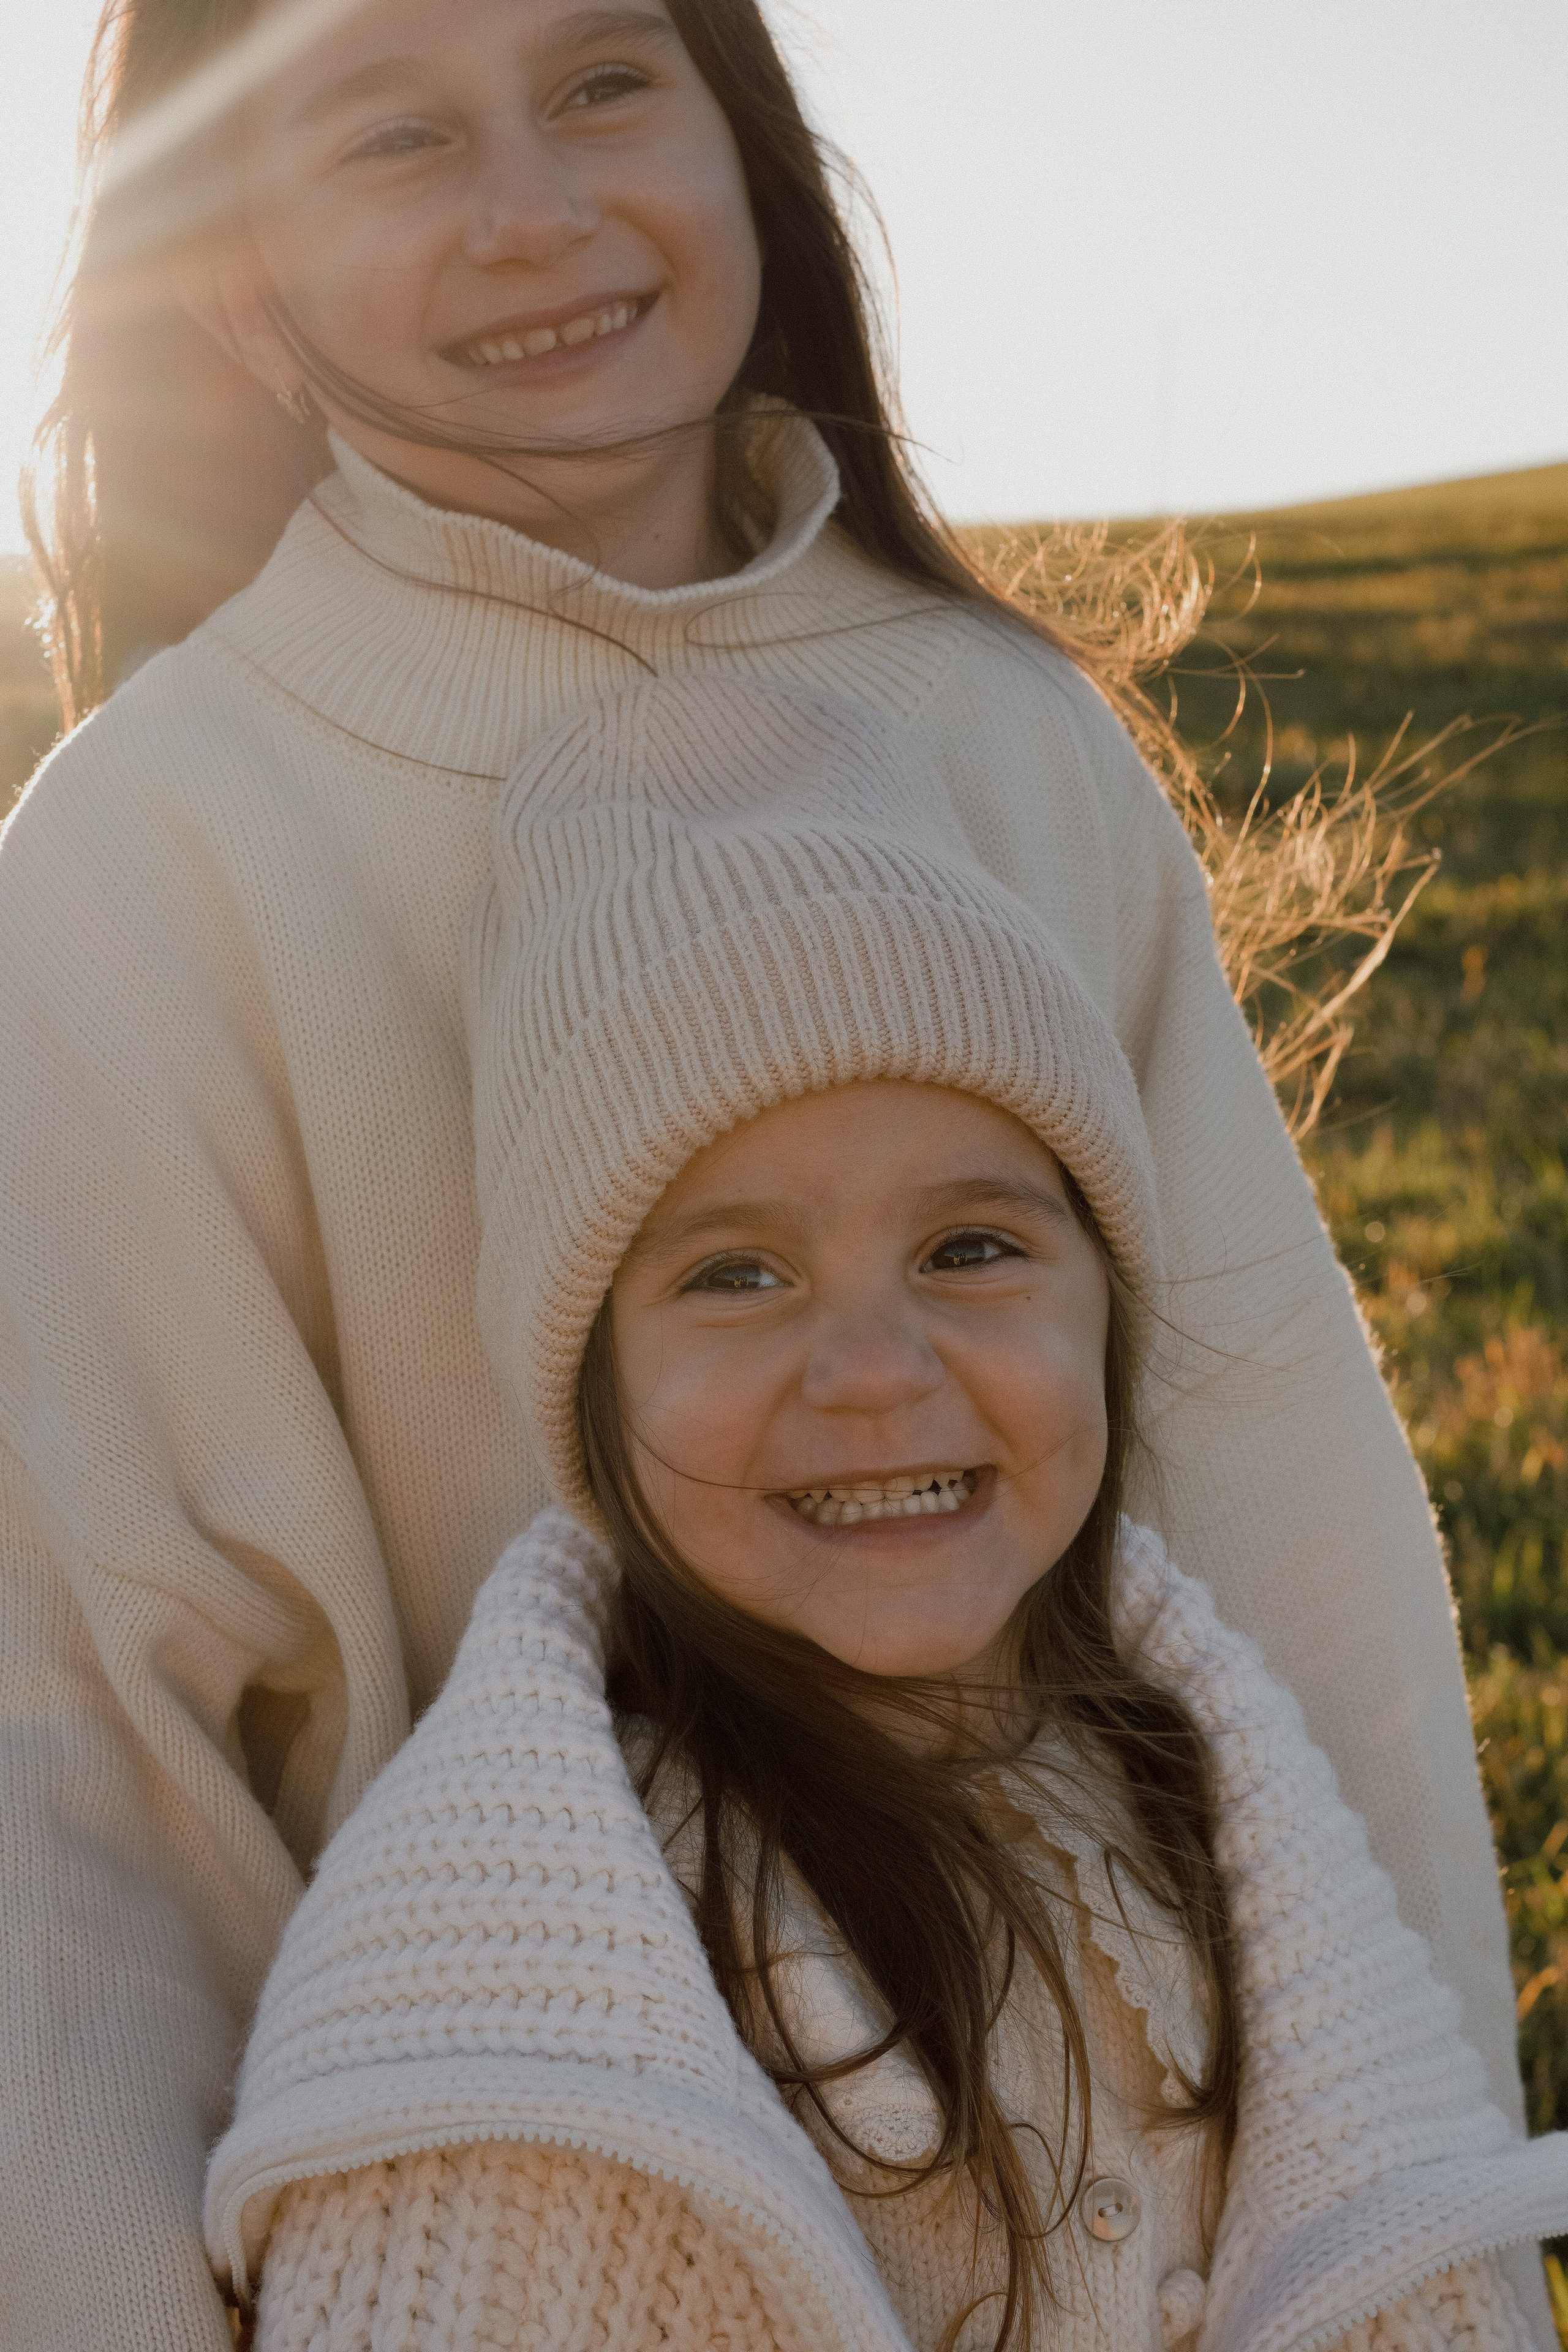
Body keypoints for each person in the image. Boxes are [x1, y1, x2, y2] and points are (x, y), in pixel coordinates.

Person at [1, 2, 1537, 2347]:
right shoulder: (147, 864)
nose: (539, 209)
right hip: (520, 2237)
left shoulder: (1009, 741)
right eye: (398, 132)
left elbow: (1295, 1564)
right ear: (225, 271)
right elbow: (81, 1795)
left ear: (749, 137)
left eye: (610, 81)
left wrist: (1427, 2217)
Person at [208, 675, 1568, 2352]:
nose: (870, 1368)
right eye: (735, 1273)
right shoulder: (518, 1979)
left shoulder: (1202, 1783)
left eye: (971, 1248)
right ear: (592, 1388)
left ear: (1106, 1315)